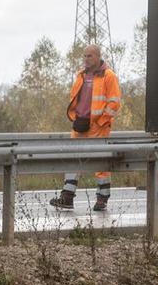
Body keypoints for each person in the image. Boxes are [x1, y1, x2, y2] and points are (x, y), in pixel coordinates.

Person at [50, 45, 121, 212]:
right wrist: (75, 118)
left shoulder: (108, 76)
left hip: (98, 127)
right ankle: (67, 197)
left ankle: (102, 199)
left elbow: (114, 102)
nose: (86, 59)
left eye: (89, 56)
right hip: (80, 124)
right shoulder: (81, 75)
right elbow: (74, 98)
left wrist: (101, 121)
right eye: (85, 56)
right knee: (73, 159)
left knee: (100, 163)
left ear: (97, 57)